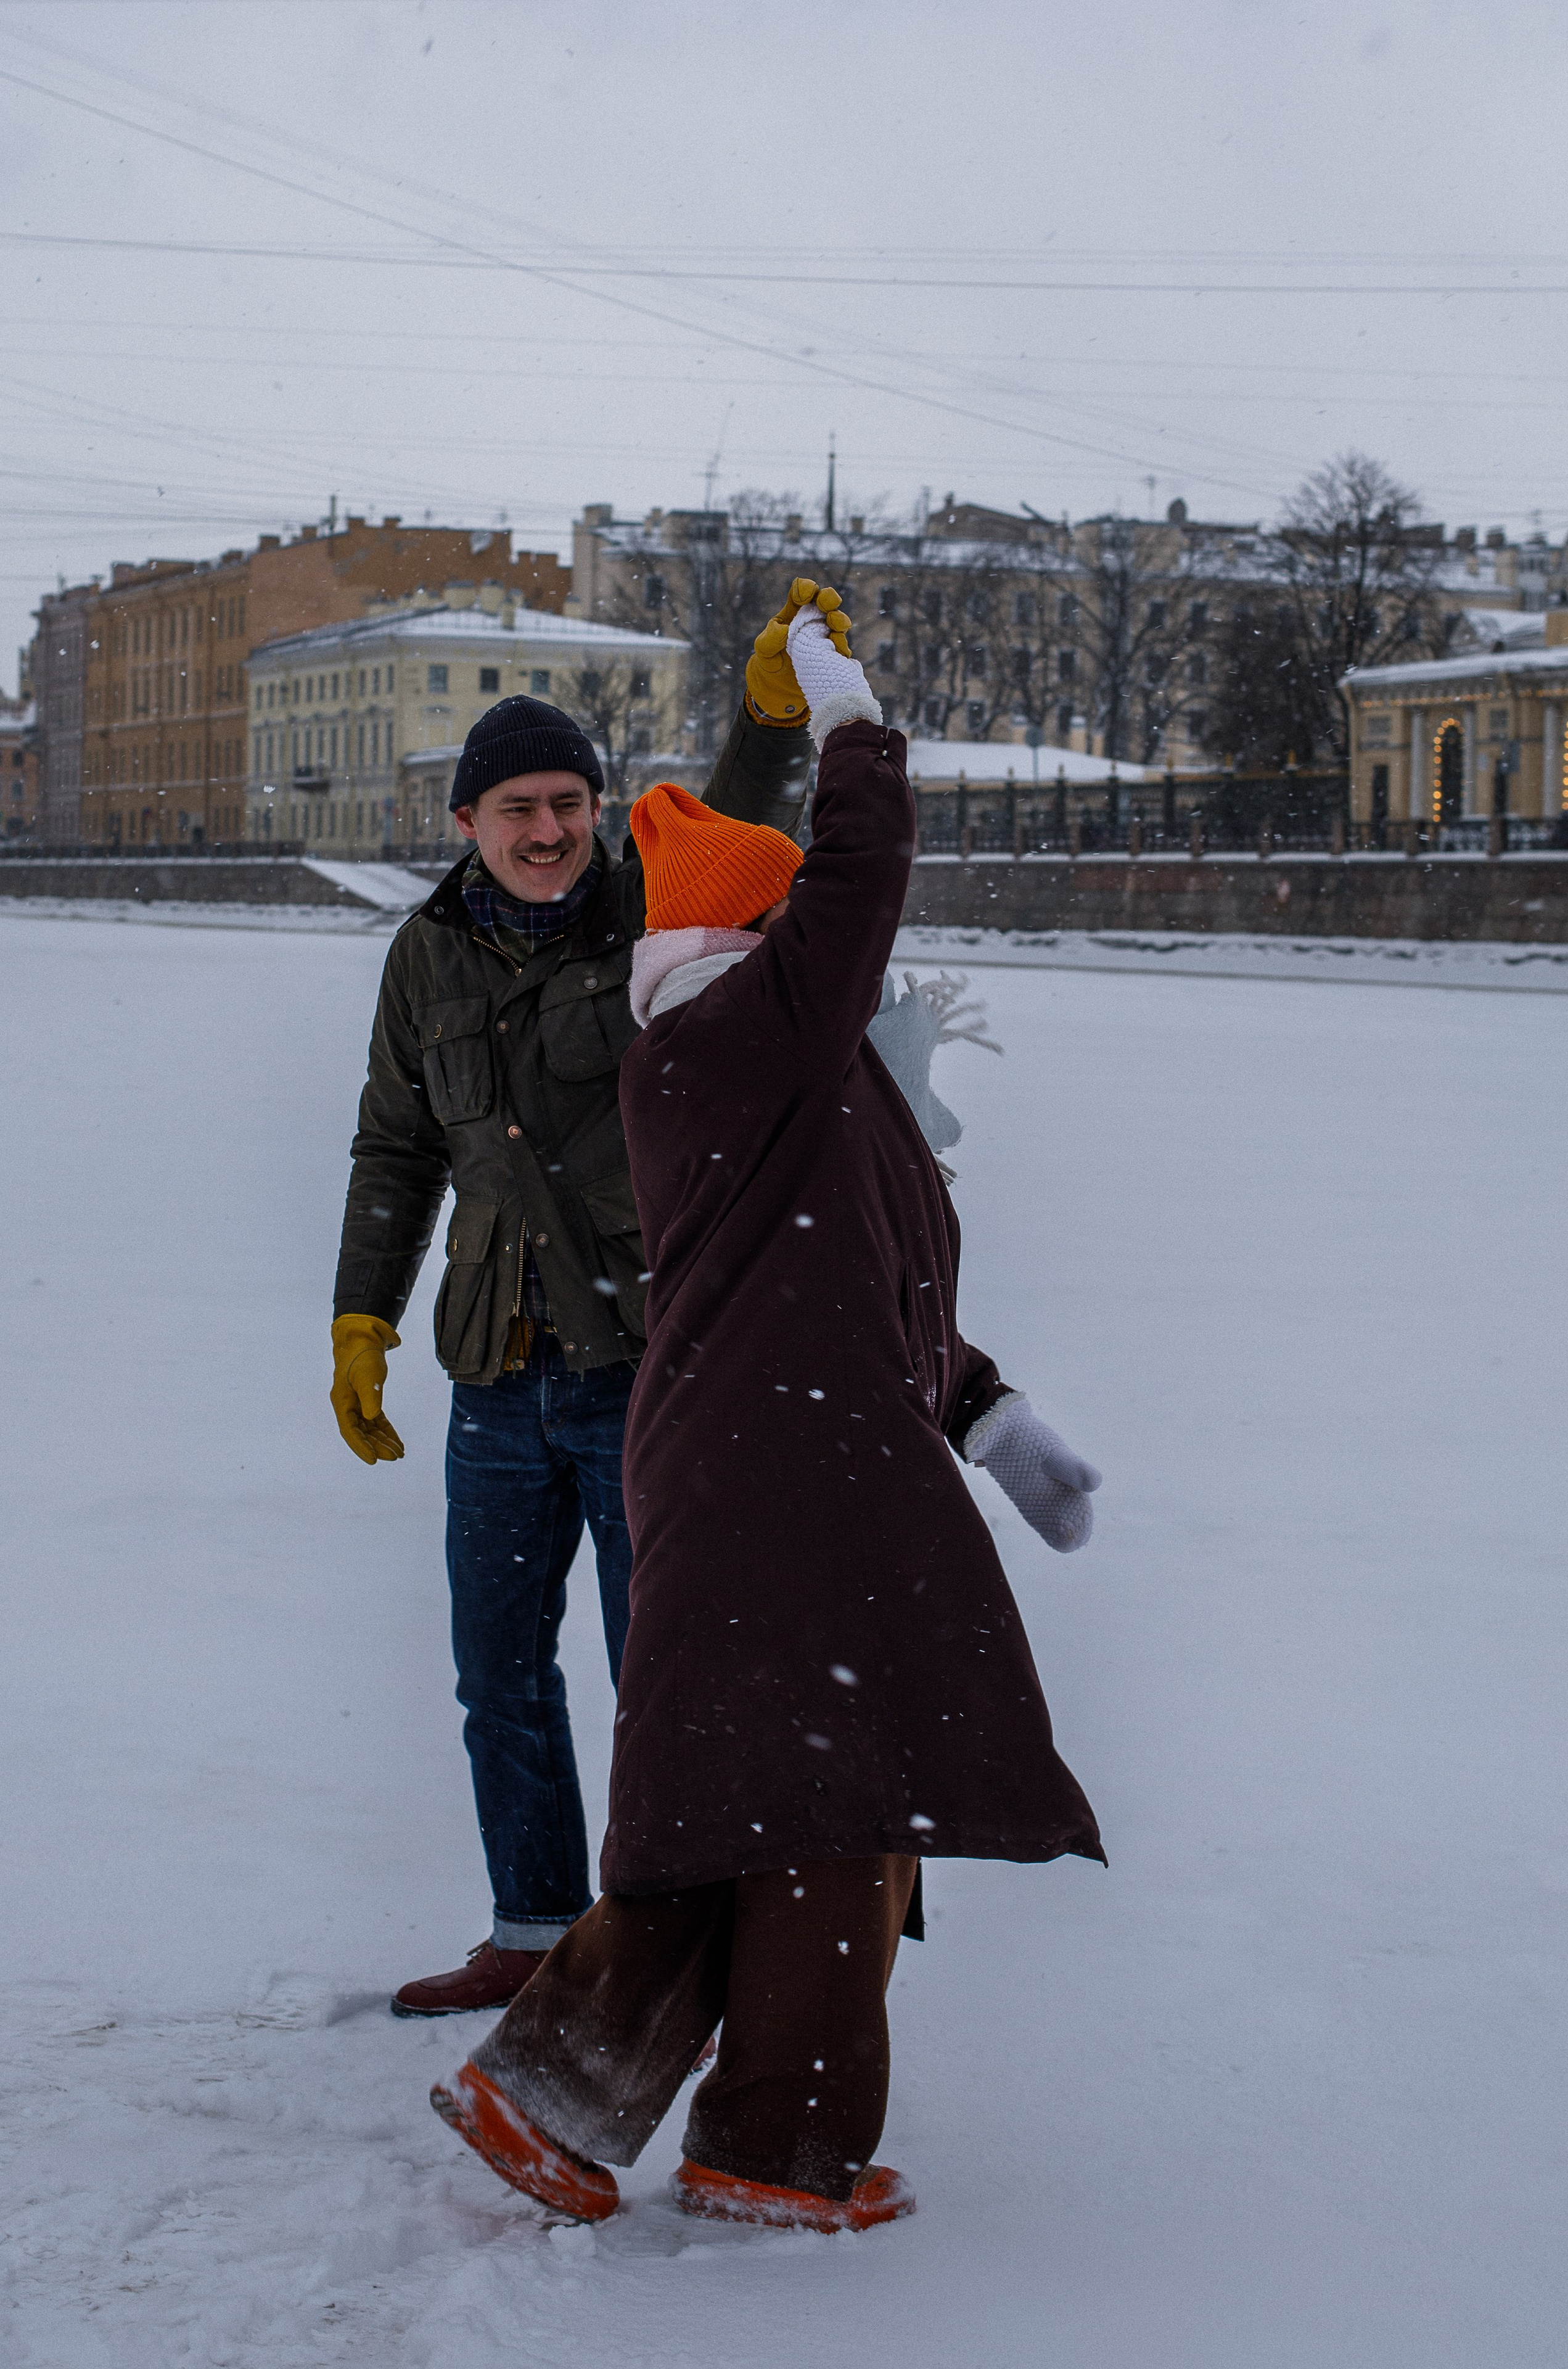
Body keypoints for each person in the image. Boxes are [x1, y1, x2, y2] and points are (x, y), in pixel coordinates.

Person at [430, 598, 1104, 2232]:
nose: (825, 934)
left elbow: (854, 1293)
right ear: (749, 934)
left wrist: (990, 1413)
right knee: (827, 1798)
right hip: (781, 1481)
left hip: (798, 1460)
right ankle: (755, 2149)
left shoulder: (792, 1081)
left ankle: (567, 2096)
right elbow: (860, 884)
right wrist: (850, 721)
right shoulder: (732, 1040)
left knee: (780, 1792)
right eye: (792, 915)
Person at [329, 585, 835, 2017]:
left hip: (645, 1363)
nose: (547, 830)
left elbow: (738, 826)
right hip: (494, 1370)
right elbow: (396, 1143)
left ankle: (666, 1951)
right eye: (516, 809)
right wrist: (359, 1318)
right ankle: (535, 1926)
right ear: (465, 824)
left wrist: (766, 723)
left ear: (598, 810)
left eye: (568, 802)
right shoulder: (422, 955)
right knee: (497, 1675)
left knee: (661, 1681)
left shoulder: (652, 914)